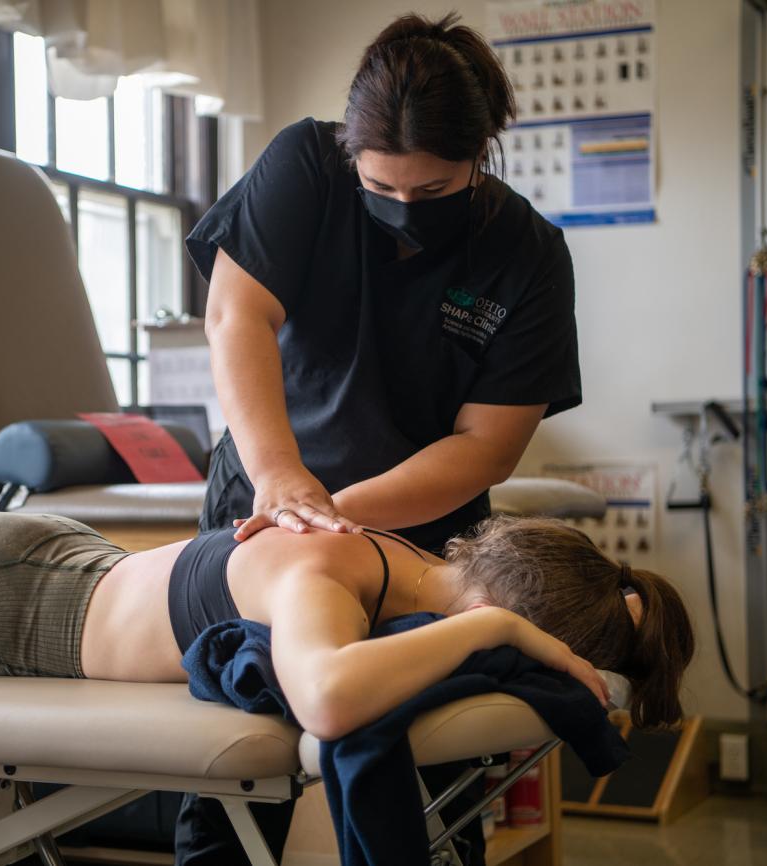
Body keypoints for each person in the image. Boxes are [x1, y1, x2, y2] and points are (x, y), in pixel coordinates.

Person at [0, 437, 693, 745]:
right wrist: (499, 633)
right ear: (493, 604)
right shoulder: (331, 572)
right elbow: (326, 700)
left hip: (38, 572)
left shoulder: (395, 557)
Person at [184, 11, 581, 861]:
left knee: (432, 771)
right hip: (263, 510)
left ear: (480, 155)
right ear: (351, 156)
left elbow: (486, 446)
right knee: (240, 751)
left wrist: (338, 517)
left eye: (432, 192)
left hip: (422, 542)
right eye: (380, 187)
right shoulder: (305, 164)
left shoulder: (528, 255)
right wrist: (282, 480)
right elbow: (236, 315)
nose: (403, 210)